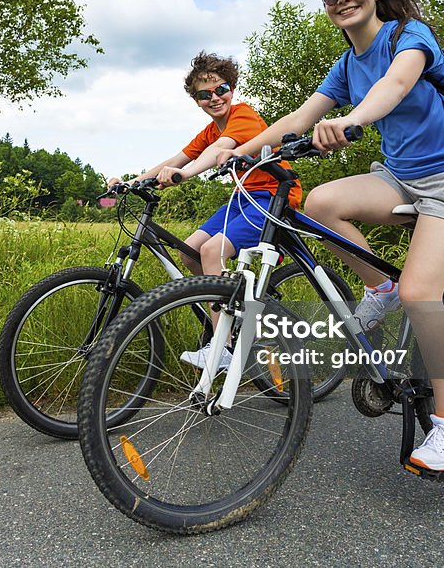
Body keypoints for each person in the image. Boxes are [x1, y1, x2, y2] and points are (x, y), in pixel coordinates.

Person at [217, 0, 444, 473]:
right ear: (324, 3)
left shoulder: (409, 36)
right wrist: (243, 151)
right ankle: (379, 288)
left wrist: (352, 123)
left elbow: (394, 86)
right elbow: (302, 115)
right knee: (320, 202)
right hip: (401, 178)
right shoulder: (347, 63)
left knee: (422, 292)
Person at [105, 51, 302, 370]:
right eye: (204, 94)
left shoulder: (244, 115)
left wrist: (187, 174)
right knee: (190, 252)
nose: (214, 98)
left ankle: (222, 346)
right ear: (196, 100)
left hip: (273, 197)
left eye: (220, 89)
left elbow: (218, 151)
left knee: (212, 250)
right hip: (244, 198)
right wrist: (131, 182)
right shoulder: (210, 130)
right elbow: (175, 159)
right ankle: (233, 309)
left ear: (232, 89)